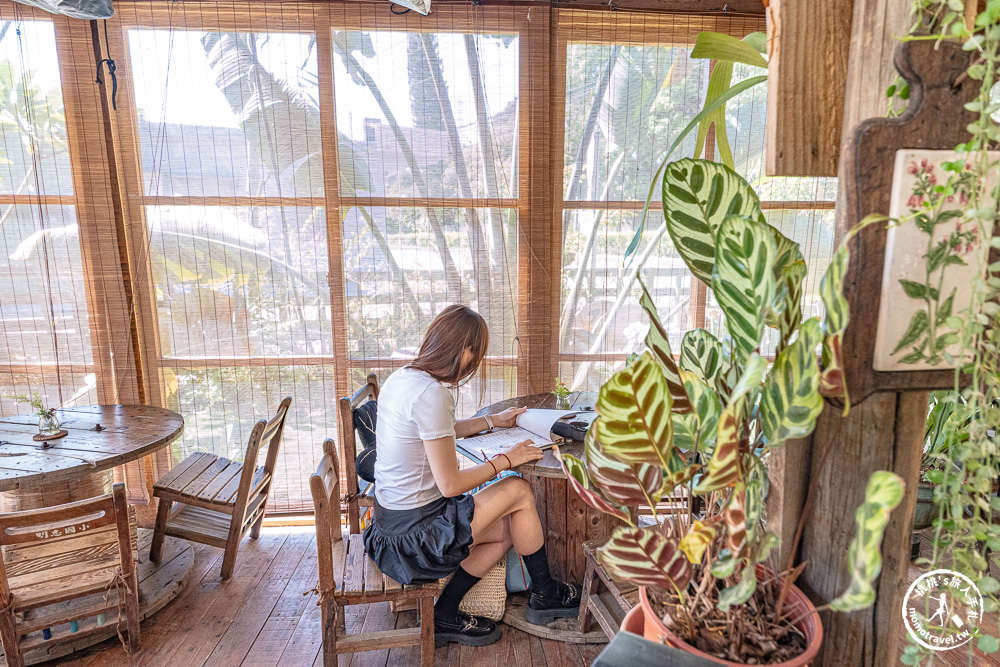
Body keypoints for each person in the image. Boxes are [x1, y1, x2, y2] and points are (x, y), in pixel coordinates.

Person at [363, 304, 580, 647]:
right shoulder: (430, 393)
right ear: (465, 352)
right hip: (416, 538)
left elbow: (439, 431)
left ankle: (445, 615)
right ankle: (547, 594)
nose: (473, 365)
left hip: (390, 527)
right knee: (519, 490)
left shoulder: (404, 377)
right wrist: (506, 460)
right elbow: (450, 485)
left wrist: (495, 420)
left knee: (509, 527)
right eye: (475, 356)